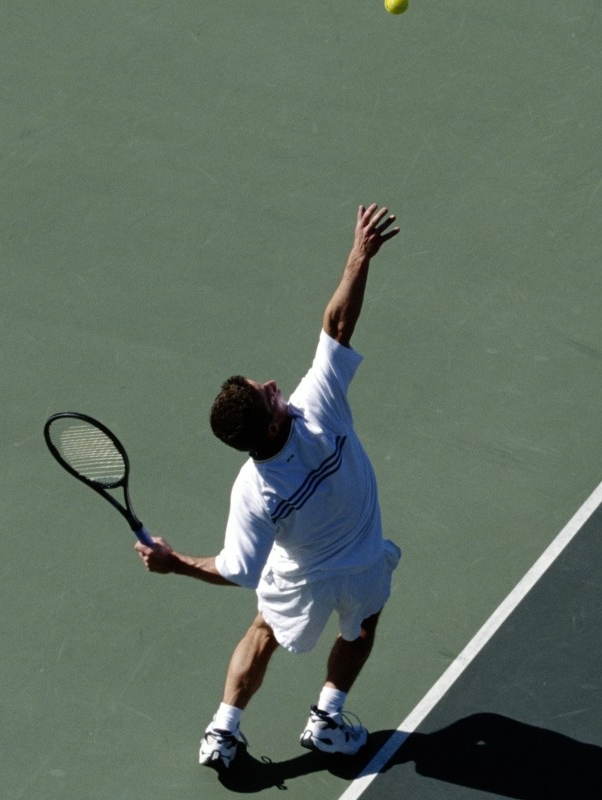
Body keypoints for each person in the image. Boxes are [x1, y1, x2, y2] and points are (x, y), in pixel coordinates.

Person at [135, 203, 402, 770]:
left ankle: (222, 731)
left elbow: (237, 570)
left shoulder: (252, 491)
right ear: (275, 420)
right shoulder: (318, 407)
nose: (278, 385)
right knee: (363, 626)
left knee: (263, 629)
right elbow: (337, 326)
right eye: (269, 394)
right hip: (361, 561)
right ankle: (328, 720)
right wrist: (359, 255)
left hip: (301, 578)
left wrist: (172, 560)